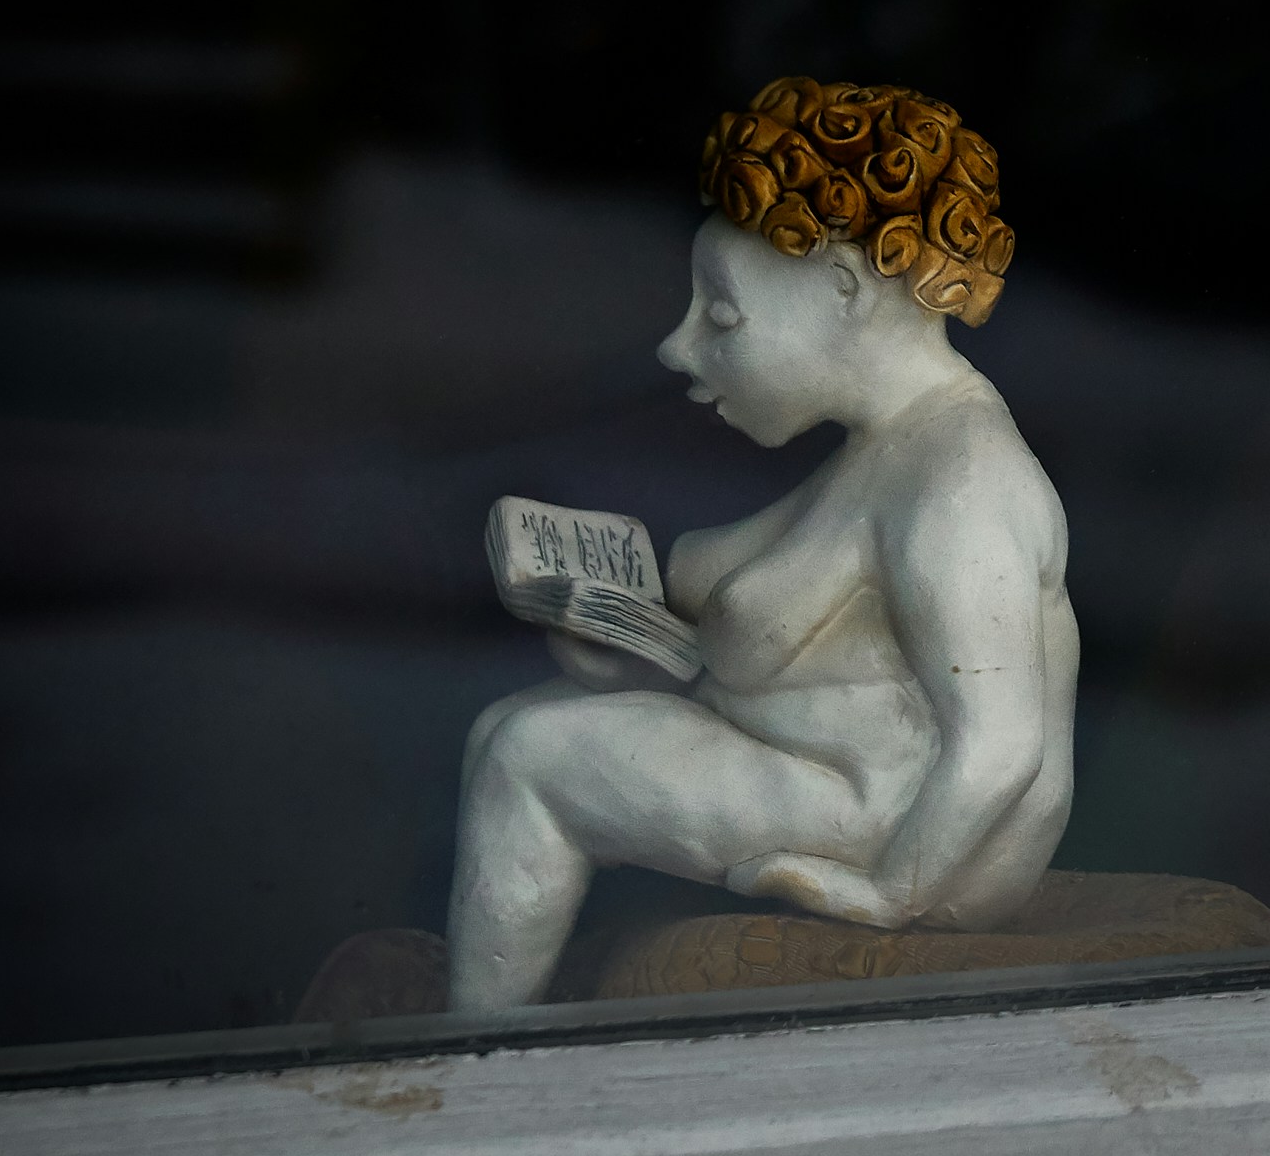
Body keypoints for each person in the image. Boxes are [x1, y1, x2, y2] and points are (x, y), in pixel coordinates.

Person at [447, 80, 1073, 1013]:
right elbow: (810, 669)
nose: (677, 346)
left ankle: (470, 1063)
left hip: (913, 830)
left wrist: (890, 891)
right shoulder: (888, 451)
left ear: (846, 290)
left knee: (527, 759)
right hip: (842, 780)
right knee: (504, 727)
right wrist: (632, 646)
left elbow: (1000, 745)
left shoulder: (962, 483)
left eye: (722, 314)